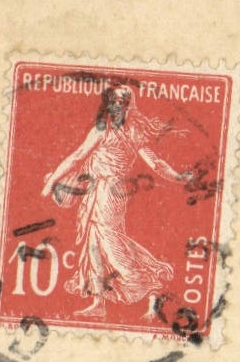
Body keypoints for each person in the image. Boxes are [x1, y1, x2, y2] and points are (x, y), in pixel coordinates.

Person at [41, 85, 192, 320]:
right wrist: (52, 180)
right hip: (94, 191)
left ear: (129, 105)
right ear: (108, 104)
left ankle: (153, 286)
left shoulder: (133, 133)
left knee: (113, 246)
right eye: (114, 101)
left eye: (123, 101)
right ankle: (99, 302)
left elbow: (155, 163)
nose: (118, 105)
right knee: (94, 247)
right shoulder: (102, 129)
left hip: (110, 192)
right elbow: (78, 156)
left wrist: (178, 177)